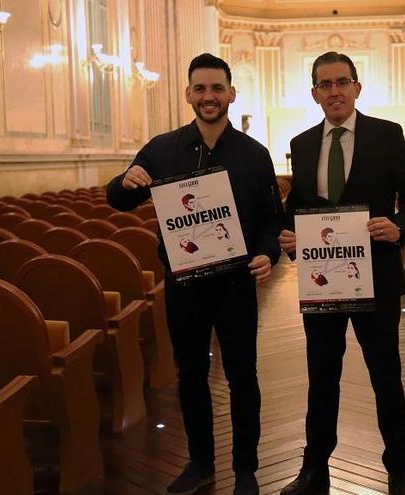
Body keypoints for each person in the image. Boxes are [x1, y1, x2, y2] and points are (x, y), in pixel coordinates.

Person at [106, 53, 283, 495]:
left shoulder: (254, 154)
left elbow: (270, 219)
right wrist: (124, 181)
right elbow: (119, 198)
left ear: (231, 94)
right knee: (190, 375)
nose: (209, 97)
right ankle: (201, 462)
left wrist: (268, 254)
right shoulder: (162, 149)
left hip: (235, 284)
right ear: (188, 94)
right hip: (184, 286)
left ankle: (246, 468)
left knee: (244, 377)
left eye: (217, 88)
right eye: (200, 89)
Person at [278, 52, 405, 495]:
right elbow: (298, 207)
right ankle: (314, 470)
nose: (334, 91)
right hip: (323, 278)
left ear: (357, 88)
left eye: (342, 82)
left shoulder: (386, 134)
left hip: (376, 276)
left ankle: (399, 473)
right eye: (325, 84)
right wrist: (287, 234)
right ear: (314, 94)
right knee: (322, 376)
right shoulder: (302, 143)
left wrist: (398, 226)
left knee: (386, 377)